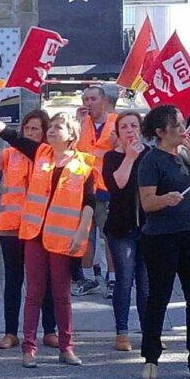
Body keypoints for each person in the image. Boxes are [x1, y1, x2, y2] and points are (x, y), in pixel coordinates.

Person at [0, 113, 95, 368]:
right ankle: (29, 349)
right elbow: (8, 134)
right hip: (34, 235)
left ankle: (67, 348)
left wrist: (80, 234)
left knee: (61, 296)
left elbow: (89, 203)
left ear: (72, 136)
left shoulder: (84, 165)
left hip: (62, 239)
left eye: (58, 127)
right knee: (33, 293)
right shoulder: (40, 152)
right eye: (51, 126)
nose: (52, 130)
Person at [0, 110, 58, 350]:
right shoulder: (10, 154)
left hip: (39, 228)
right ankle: (10, 332)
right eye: (27, 128)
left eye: (35, 129)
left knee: (44, 281)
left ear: (44, 133)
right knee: (13, 281)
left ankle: (49, 330)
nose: (29, 133)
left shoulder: (48, 155)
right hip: (12, 227)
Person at [138, 104, 190, 379]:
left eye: (183, 124)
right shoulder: (151, 161)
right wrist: (164, 200)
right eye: (178, 125)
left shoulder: (183, 155)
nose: (184, 129)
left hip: (188, 233)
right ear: (160, 131)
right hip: (160, 237)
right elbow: (147, 202)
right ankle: (151, 358)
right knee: (159, 297)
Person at [102, 111, 149, 352]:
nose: (130, 130)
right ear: (118, 133)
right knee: (124, 280)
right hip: (121, 229)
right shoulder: (111, 157)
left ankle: (149, 332)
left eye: (134, 125)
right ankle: (122, 332)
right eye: (124, 127)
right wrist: (129, 157)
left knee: (146, 285)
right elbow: (118, 184)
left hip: (149, 229)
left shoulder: (151, 155)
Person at [74, 85, 118, 297]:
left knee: (109, 235)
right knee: (85, 235)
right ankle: (89, 277)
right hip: (83, 188)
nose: (88, 103)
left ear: (104, 101)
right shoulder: (82, 124)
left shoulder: (116, 122)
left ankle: (112, 278)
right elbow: (74, 150)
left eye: (92, 99)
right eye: (85, 99)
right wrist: (79, 124)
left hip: (108, 189)